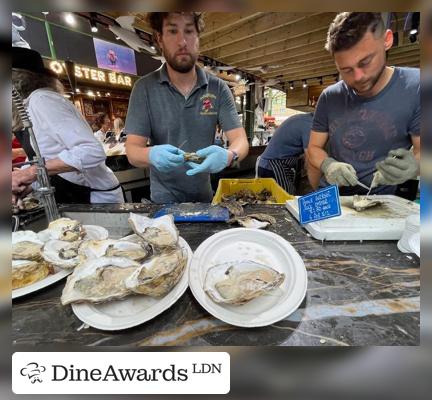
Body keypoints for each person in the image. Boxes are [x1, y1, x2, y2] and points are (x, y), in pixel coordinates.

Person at [125, 12, 249, 203]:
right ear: (159, 38)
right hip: (162, 199)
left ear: (198, 38)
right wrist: (150, 154)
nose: (182, 41)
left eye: (189, 31)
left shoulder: (218, 88)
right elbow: (132, 150)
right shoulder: (144, 89)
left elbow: (240, 140)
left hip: (205, 196)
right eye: (173, 31)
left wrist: (229, 155)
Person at [308, 12, 420, 195]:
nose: (358, 77)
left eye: (365, 62)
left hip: (384, 202)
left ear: (387, 40)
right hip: (333, 199)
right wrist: (328, 164)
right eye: (346, 70)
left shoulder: (416, 87)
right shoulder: (330, 96)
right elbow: (313, 148)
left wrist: (415, 165)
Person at [11, 47, 124, 204]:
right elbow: (50, 155)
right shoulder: (30, 107)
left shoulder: (42, 100)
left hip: (94, 199)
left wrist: (30, 173)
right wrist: (26, 184)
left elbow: (91, 151)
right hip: (71, 194)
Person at [257, 112, 320, 194]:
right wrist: (319, 190)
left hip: (271, 165)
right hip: (273, 166)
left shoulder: (304, 119)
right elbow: (311, 162)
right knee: (285, 200)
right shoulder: (310, 125)